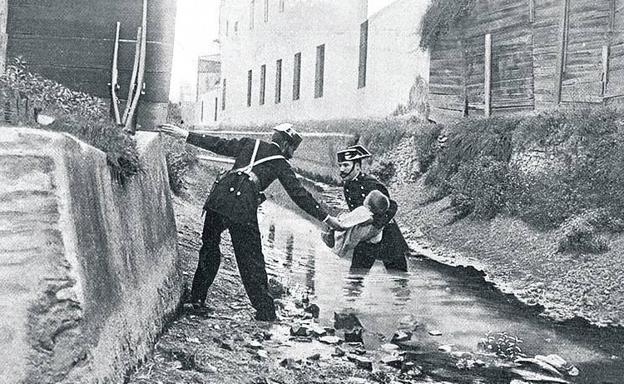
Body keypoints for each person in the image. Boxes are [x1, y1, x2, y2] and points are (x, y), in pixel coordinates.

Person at [158, 122, 344, 321]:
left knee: (209, 248)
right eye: (293, 149)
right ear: (286, 146)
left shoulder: (250, 144)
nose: (292, 153)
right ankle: (265, 311)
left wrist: (185, 134)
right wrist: (327, 218)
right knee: (251, 259)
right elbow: (300, 195)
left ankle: (196, 300)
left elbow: (218, 144)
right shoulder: (280, 163)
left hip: (219, 198)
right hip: (242, 206)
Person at [336, 145, 409, 272]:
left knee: (399, 278)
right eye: (340, 165)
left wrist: (373, 222)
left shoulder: (370, 184)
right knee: (355, 276)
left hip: (387, 237)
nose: (342, 169)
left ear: (357, 167)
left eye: (346, 165)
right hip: (365, 238)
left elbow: (392, 206)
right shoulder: (347, 185)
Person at [321, 189, 390, 258]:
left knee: (330, 225)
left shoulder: (363, 211)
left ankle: (329, 243)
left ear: (369, 206)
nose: (365, 198)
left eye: (366, 198)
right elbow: (376, 239)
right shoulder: (378, 224)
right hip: (355, 241)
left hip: (345, 237)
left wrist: (340, 217)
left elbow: (345, 223)